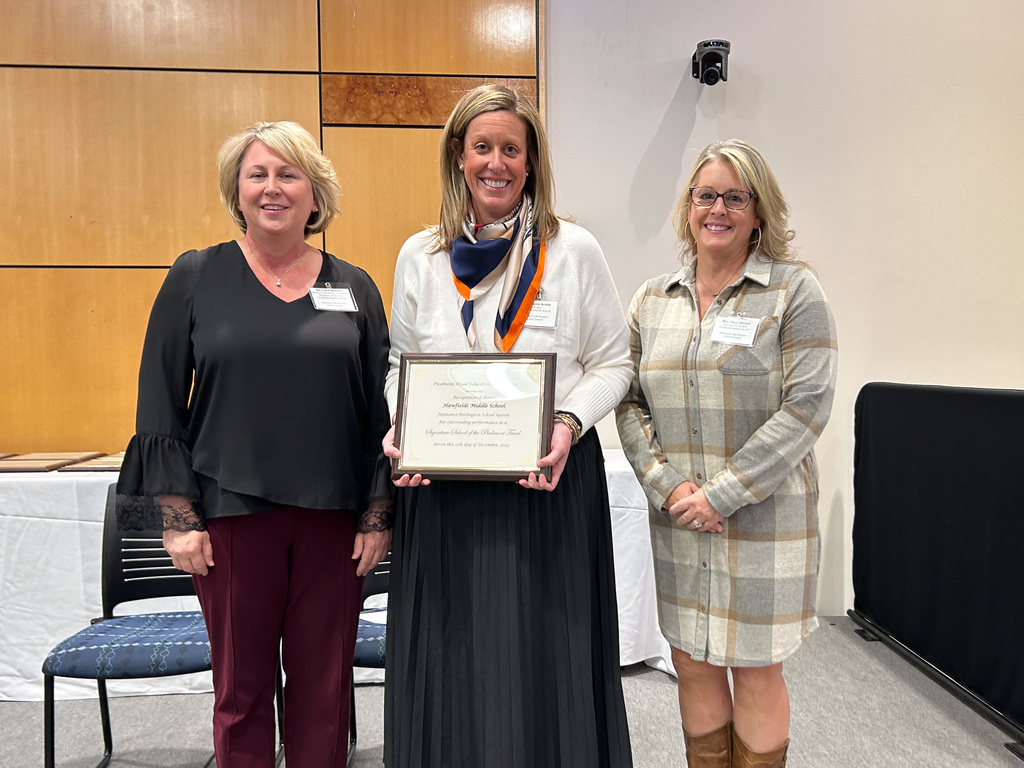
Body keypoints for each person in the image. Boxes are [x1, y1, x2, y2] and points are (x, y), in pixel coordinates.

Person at [115, 121, 394, 768]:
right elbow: (159, 401)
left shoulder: (354, 287)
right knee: (241, 693)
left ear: (314, 192)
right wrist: (177, 519)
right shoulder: (195, 275)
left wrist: (379, 514)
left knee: (324, 692)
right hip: (229, 519)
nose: (273, 188)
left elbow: (382, 409)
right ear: (236, 192)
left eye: (288, 174)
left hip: (334, 522)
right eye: (258, 175)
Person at [380, 84, 634, 768]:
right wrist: (399, 425)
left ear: (531, 162)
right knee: (452, 656)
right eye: (482, 147)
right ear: (458, 156)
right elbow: (400, 365)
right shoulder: (421, 256)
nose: (497, 163)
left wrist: (567, 422)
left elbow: (615, 362)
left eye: (511, 149)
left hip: (546, 479)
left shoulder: (573, 249)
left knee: (544, 652)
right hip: (444, 488)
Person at [615, 139, 837, 768]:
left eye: (734, 197)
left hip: (764, 522)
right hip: (679, 518)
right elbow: (629, 403)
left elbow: (807, 407)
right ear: (688, 208)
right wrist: (670, 488)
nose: (718, 208)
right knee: (691, 663)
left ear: (758, 211)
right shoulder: (651, 301)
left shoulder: (794, 292)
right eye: (705, 195)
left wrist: (723, 493)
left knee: (756, 669)